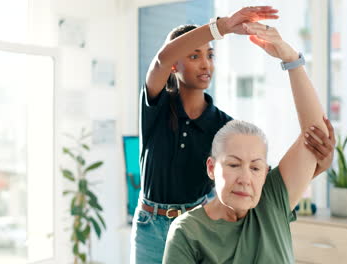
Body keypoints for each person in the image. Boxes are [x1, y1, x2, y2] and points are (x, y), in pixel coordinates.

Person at [131, 6, 334, 264]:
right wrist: (222, 27)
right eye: (194, 56)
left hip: (199, 223)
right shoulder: (158, 108)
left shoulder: (225, 128)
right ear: (175, 65)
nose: (205, 63)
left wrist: (317, 164)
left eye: (210, 55)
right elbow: (161, 59)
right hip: (151, 225)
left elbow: (264, 178)